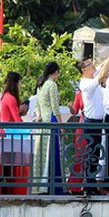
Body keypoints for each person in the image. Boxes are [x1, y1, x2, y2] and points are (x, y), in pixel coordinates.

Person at [77, 46, 109, 189]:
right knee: (91, 154)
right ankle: (89, 185)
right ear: (83, 70)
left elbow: (102, 69)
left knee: (95, 153)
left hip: (98, 121)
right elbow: (102, 74)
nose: (93, 66)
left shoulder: (92, 81)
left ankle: (92, 184)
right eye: (89, 65)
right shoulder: (85, 84)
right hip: (91, 122)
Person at [32, 62, 67, 194]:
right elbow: (55, 107)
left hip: (43, 122)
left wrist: (39, 115)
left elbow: (37, 106)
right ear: (56, 72)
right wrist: (60, 124)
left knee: (44, 154)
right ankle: (55, 187)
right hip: (51, 120)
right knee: (54, 154)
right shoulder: (51, 85)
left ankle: (42, 185)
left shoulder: (41, 85)